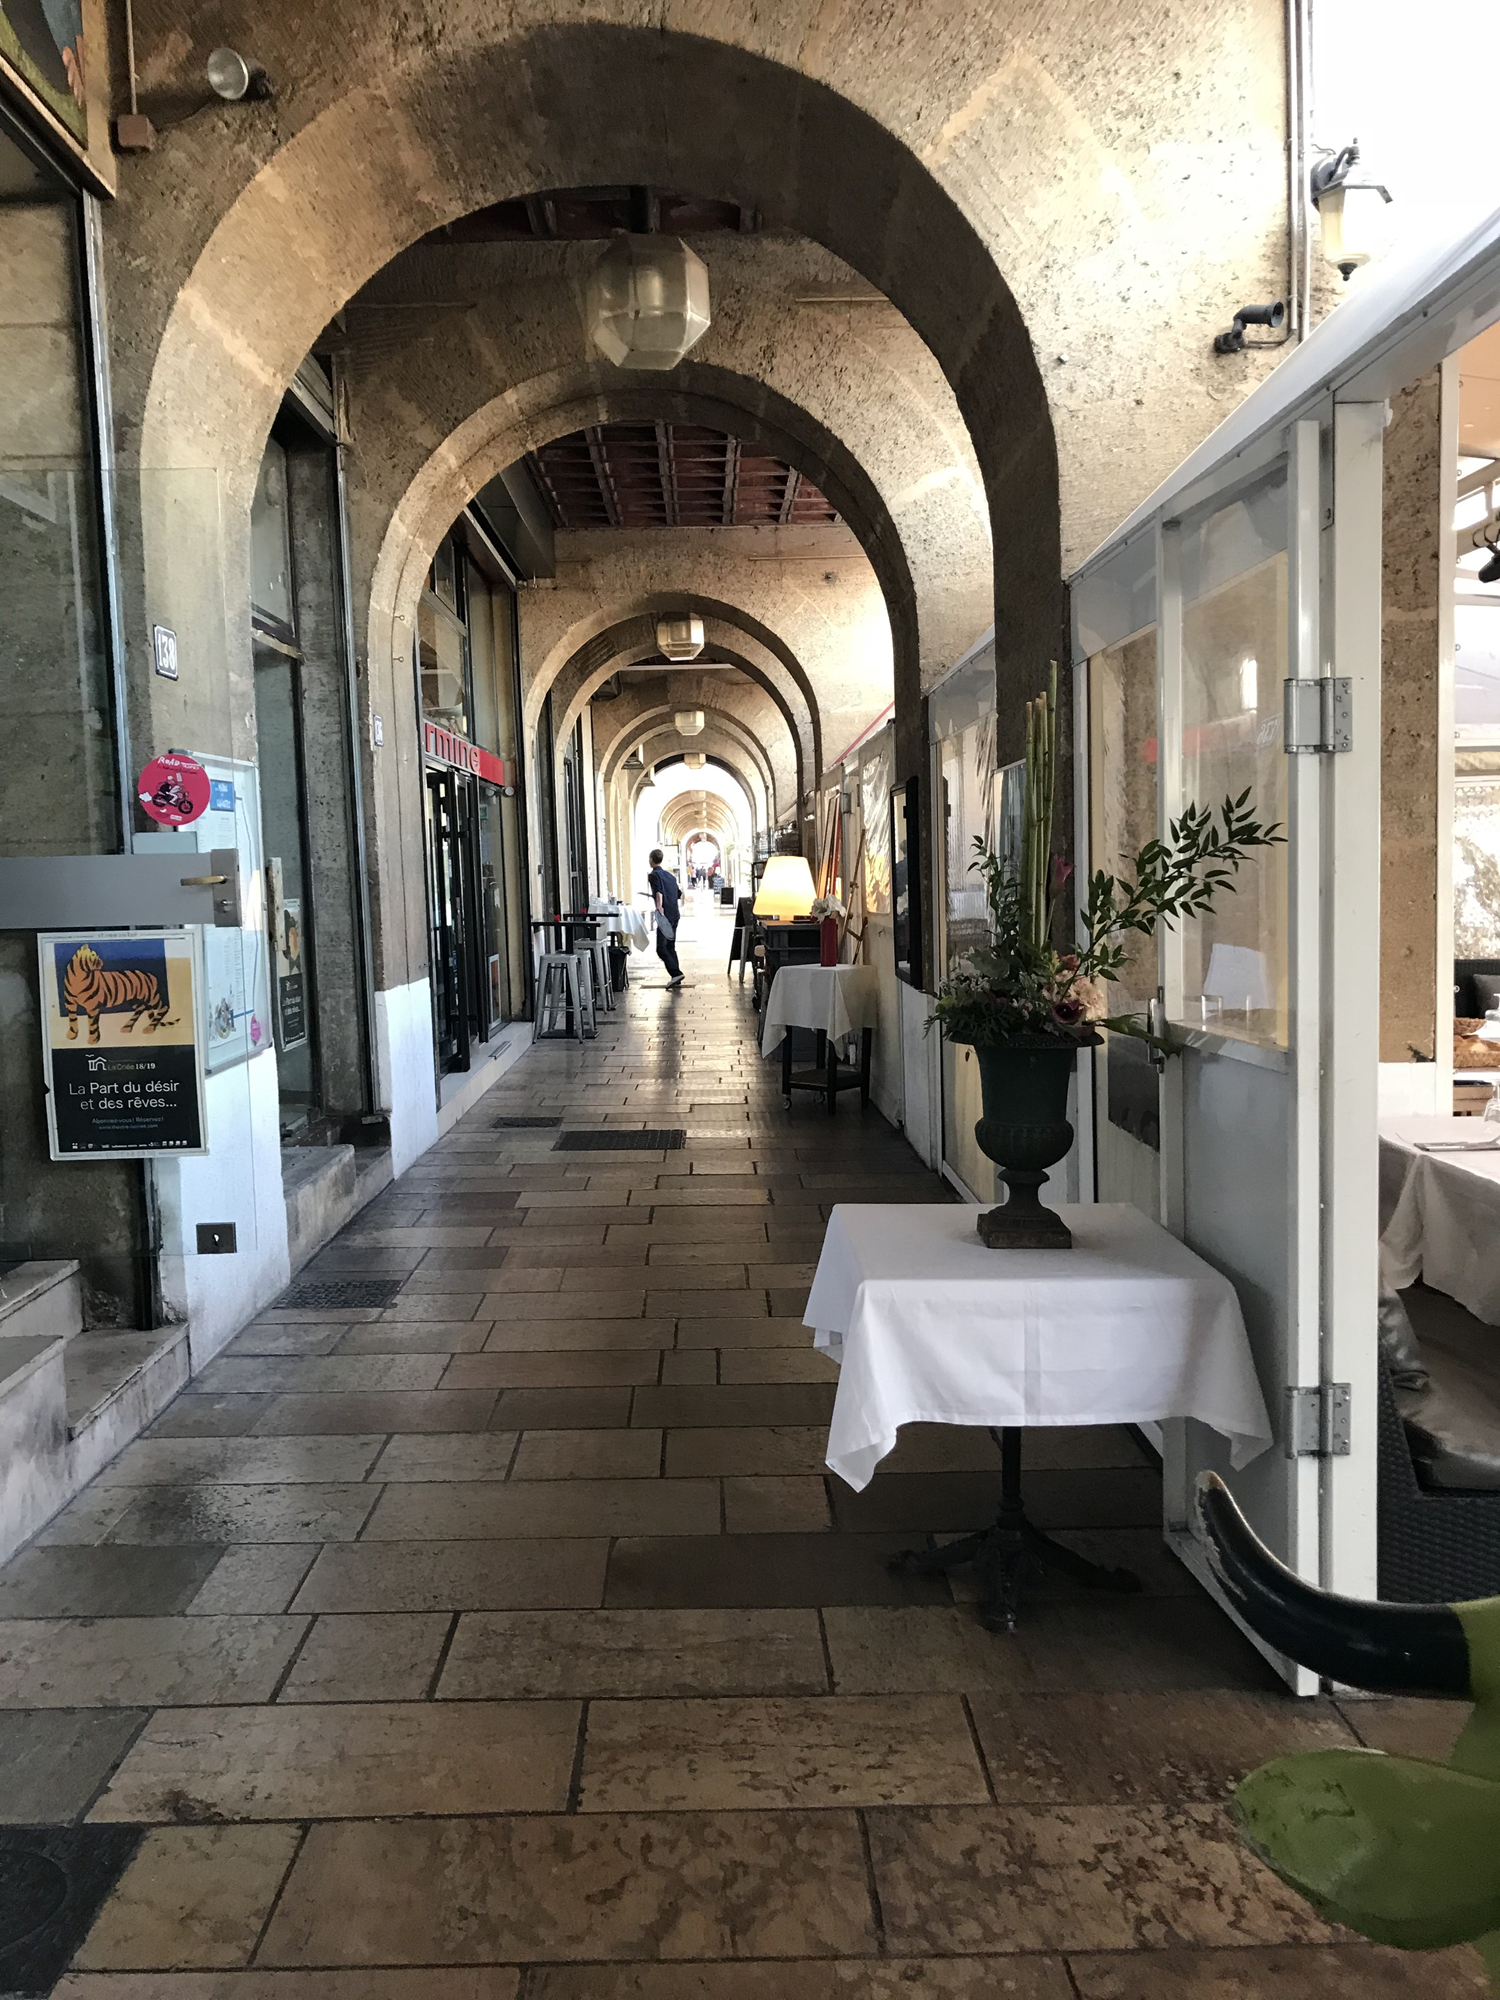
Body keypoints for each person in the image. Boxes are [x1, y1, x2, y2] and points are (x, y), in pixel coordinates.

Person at [647, 848, 684, 987]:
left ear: (651, 859)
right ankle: (676, 976)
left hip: (665, 915)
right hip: (675, 914)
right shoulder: (671, 877)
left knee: (661, 948)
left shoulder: (653, 875)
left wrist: (659, 907)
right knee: (670, 946)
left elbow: (658, 892)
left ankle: (676, 973)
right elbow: (678, 894)